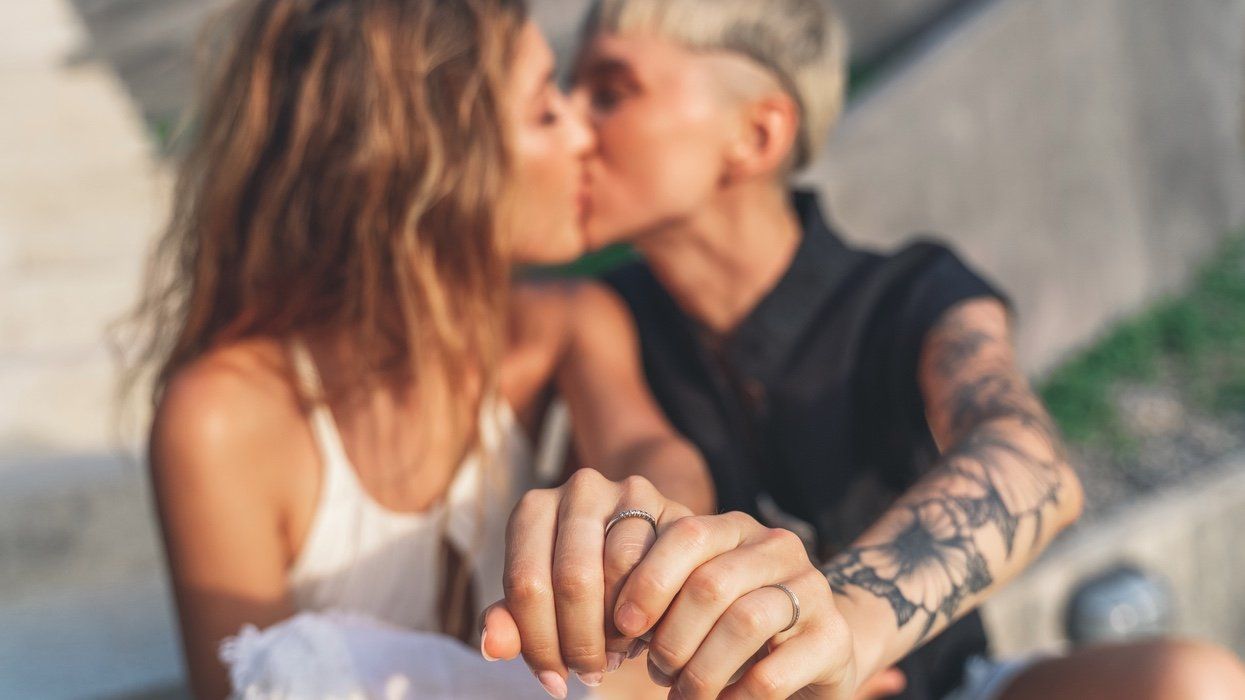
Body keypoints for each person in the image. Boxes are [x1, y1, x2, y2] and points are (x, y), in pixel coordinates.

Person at [483, 0, 1245, 698]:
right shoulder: (598, 315)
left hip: (945, 685)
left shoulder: (912, 294)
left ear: (755, 134)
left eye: (610, 93)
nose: (573, 127)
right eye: (565, 94)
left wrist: (838, 625)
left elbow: (1027, 463)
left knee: (1189, 683)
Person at [131, 0, 714, 696]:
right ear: (434, 163)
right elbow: (243, 686)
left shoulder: (566, 323)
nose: (583, 137)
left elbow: (649, 454)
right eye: (543, 111)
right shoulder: (226, 416)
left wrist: (645, 520)